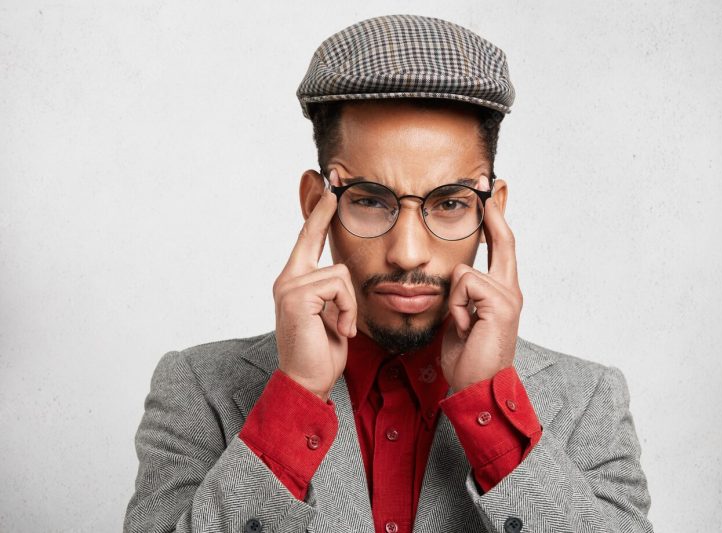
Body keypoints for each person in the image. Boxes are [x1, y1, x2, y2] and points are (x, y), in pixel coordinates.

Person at [124, 14, 653, 533]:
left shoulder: (588, 401)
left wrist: (491, 410)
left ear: (493, 215)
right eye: (371, 201)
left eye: (449, 202)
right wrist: (295, 398)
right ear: (316, 205)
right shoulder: (197, 389)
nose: (407, 253)